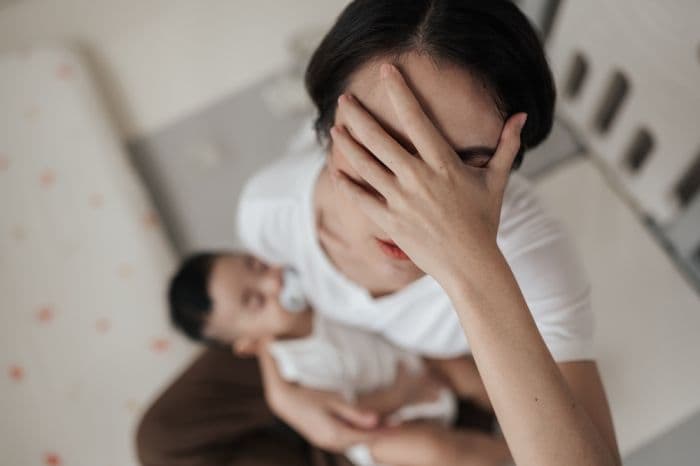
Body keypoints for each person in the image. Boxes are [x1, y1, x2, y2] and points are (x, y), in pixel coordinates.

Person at [136, 2, 622, 465]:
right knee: (161, 440)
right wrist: (282, 392)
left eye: (463, 166)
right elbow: (256, 312)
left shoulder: (530, 257)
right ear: (327, 129)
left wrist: (471, 267)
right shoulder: (271, 212)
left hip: (430, 395)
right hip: (319, 336)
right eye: (381, 151)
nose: (410, 207)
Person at [167, 250, 488, 466]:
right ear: (249, 343)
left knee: (467, 373)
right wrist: (403, 393)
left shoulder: (316, 291)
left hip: (415, 366)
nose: (273, 282)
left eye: (257, 265)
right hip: (385, 423)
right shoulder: (295, 370)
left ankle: (510, 406)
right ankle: (506, 453)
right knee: (433, 451)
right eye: (256, 301)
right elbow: (353, 414)